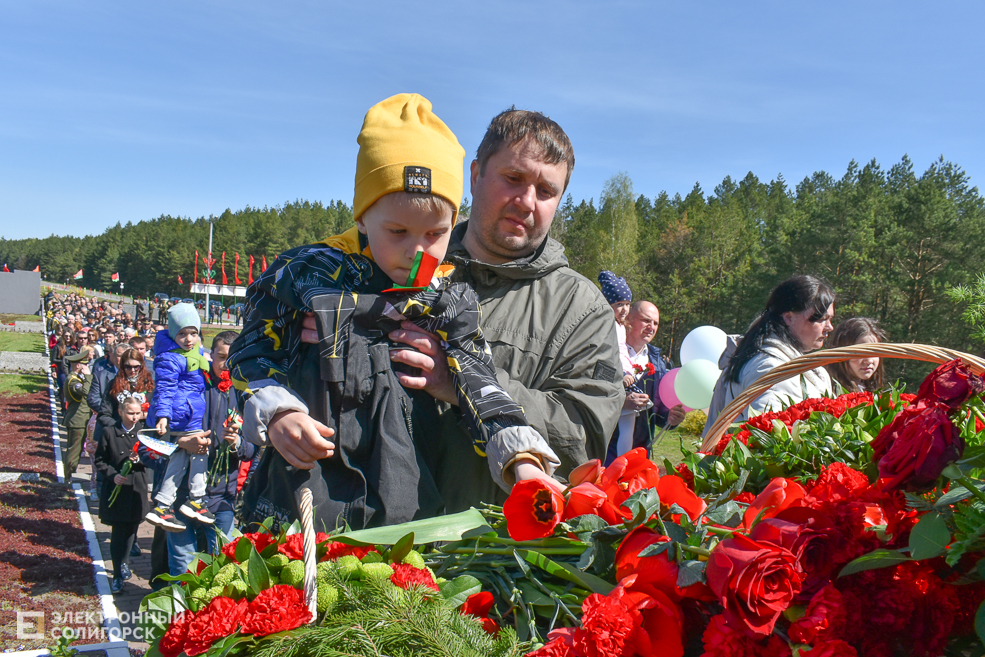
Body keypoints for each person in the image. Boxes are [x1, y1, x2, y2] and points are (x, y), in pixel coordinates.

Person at [228, 93, 560, 532]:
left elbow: (480, 379)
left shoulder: (446, 297)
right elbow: (250, 352)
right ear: (364, 216)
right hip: (305, 486)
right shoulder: (307, 274)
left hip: (403, 497)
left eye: (437, 233)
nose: (417, 250)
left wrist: (521, 457)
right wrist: (277, 410)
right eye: (398, 231)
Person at [300, 106, 624, 510]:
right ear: (474, 175)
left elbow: (584, 439)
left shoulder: (582, 309)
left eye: (546, 191)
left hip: (486, 552)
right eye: (513, 179)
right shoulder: (395, 258)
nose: (526, 201)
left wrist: (461, 383)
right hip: (370, 534)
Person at [166, 331, 257, 575]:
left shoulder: (244, 395)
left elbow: (252, 450)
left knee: (222, 567)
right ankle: (180, 612)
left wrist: (237, 442)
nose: (226, 364)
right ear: (210, 355)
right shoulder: (191, 385)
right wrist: (183, 442)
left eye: (232, 358)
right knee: (183, 567)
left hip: (221, 497)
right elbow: (160, 437)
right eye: (221, 357)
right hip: (183, 492)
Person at [702, 275, 835, 437]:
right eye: (822, 319)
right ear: (789, 318)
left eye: (830, 319)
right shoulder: (771, 367)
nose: (829, 327)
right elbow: (766, 439)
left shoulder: (758, 354)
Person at [144, 303, 212, 531]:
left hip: (190, 414)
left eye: (193, 333)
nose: (188, 339)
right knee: (201, 450)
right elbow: (164, 388)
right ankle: (197, 499)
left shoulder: (195, 354)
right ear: (173, 334)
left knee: (180, 459)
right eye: (182, 333)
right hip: (180, 415)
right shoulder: (169, 358)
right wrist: (163, 415)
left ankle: (163, 505)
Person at [606, 301, 686, 463]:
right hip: (604, 452)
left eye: (656, 323)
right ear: (628, 319)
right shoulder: (607, 353)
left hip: (638, 458)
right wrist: (621, 402)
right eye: (646, 320)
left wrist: (672, 418)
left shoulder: (658, 364)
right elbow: (590, 396)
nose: (652, 326)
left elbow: (660, 412)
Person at [94, 395, 150, 593]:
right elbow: (100, 459)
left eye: (138, 413)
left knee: (131, 530)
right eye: (130, 413)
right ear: (120, 412)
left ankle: (124, 563)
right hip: (117, 490)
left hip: (136, 489)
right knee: (118, 533)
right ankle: (118, 572)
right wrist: (113, 475)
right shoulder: (110, 432)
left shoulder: (144, 433)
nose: (135, 417)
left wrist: (141, 459)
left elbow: (154, 458)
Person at [826, 317, 887, 392]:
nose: (869, 360)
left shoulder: (870, 390)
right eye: (860, 353)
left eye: (874, 352)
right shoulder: (827, 390)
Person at [63, 351, 93, 477]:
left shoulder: (76, 379)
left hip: (79, 418)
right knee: (74, 451)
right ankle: (68, 476)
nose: (86, 368)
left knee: (76, 449)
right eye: (84, 365)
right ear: (78, 366)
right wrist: (88, 376)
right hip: (77, 419)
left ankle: (69, 474)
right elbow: (86, 391)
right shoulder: (73, 381)